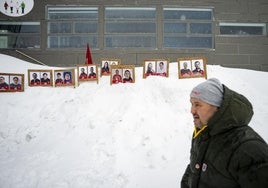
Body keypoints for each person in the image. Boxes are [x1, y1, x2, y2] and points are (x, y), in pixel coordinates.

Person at [181, 78, 268, 188]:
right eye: (192, 104)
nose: (192, 110)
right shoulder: (203, 134)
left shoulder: (248, 147)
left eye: (197, 104)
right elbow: (194, 169)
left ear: (217, 107)